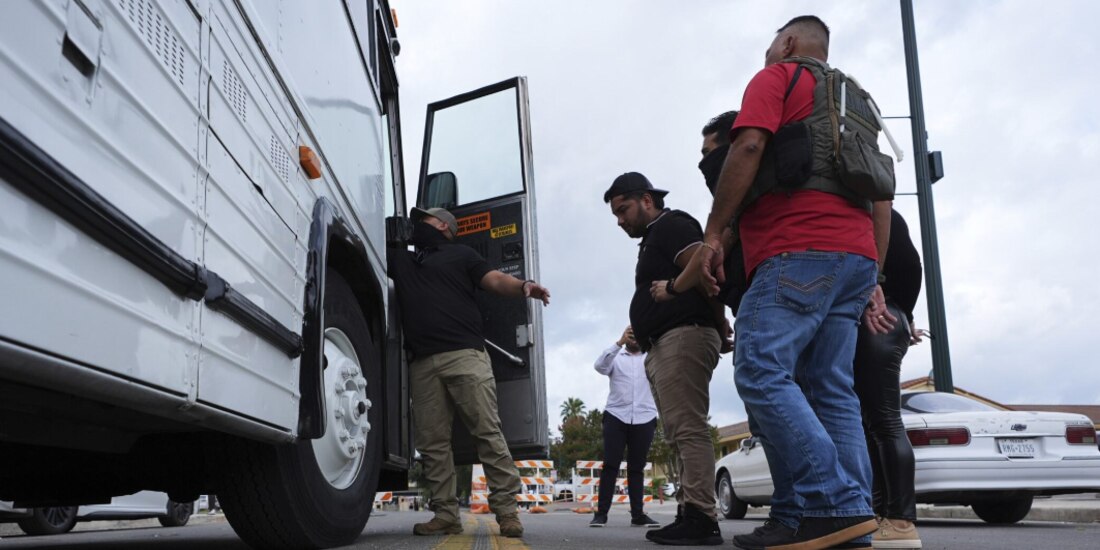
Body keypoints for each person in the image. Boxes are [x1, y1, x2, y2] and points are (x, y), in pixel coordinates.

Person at [693, 16, 892, 550]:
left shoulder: (779, 76)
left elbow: (750, 147)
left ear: (786, 43)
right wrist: (873, 272)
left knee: (760, 370)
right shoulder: (859, 101)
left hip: (796, 248)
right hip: (854, 257)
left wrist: (714, 235)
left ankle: (829, 502)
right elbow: (882, 195)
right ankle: (849, 519)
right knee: (832, 388)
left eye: (768, 48)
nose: (765, 57)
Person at [388, 207, 551, 538]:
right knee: (432, 444)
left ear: (445, 228)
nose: (419, 225)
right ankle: (445, 514)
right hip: (422, 363)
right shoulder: (403, 260)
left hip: (465, 355)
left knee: (487, 432)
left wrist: (524, 285)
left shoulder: (462, 254)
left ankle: (506, 512)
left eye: (426, 220)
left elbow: (494, 280)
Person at [603, 172, 723, 546]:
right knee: (678, 432)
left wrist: (717, 322)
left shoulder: (671, 225)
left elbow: (705, 269)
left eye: (623, 210)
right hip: (668, 341)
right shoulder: (656, 237)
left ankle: (702, 517)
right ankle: (690, 512)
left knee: (688, 428)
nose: (620, 221)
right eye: (616, 215)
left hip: (683, 335)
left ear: (647, 200)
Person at [854, 209, 924, 549]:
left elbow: (912, 266)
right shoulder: (876, 211)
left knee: (884, 422)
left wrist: (901, 312)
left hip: (880, 318)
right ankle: (884, 517)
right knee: (872, 424)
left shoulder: (878, 211)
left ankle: (899, 520)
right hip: (886, 317)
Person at [589, 325, 660, 529]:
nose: (634, 338)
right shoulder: (616, 357)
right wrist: (618, 343)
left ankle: (638, 515)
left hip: (645, 417)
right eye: (631, 334)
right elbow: (599, 366)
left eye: (638, 334)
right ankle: (601, 514)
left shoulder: (651, 357)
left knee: (636, 468)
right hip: (616, 416)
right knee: (610, 465)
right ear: (625, 336)